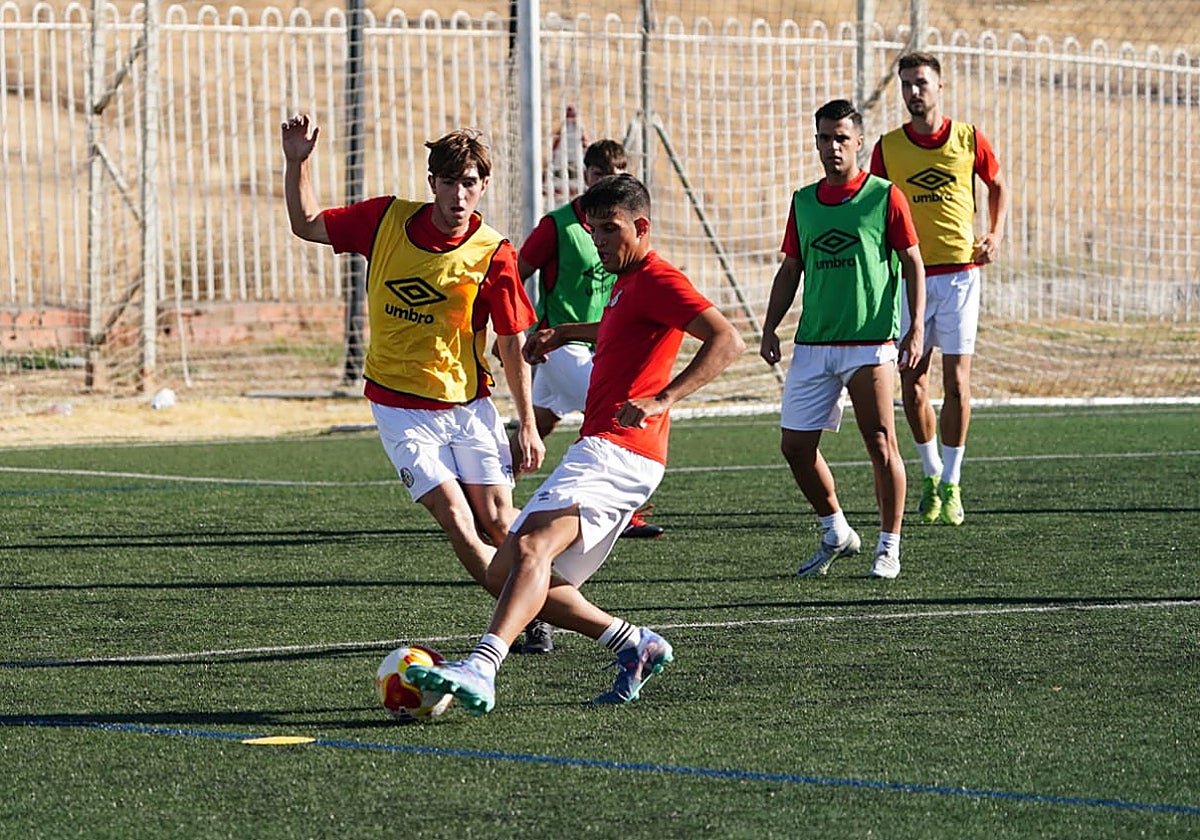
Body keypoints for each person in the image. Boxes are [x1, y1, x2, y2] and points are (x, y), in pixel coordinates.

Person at [405, 173, 745, 714]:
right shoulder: (626, 283)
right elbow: (619, 328)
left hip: (619, 447)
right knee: (507, 572)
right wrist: (565, 333)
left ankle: (482, 667)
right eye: (593, 231)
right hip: (613, 450)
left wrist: (664, 399)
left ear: (642, 226)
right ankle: (633, 643)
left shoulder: (657, 278)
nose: (599, 242)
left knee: (532, 550)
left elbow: (728, 339)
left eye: (610, 230)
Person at [280, 115, 545, 598]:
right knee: (458, 520)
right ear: (432, 183)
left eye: (469, 184)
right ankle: (528, 614)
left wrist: (525, 422)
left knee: (500, 521)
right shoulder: (385, 220)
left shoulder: (495, 253)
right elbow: (307, 225)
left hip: (468, 406)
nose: (458, 196)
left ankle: (534, 606)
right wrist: (297, 163)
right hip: (401, 410)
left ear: (484, 186)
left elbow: (510, 343)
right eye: (449, 182)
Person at [760, 99, 925, 580]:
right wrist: (771, 326)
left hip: (870, 343)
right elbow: (791, 268)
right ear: (816, 142)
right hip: (813, 345)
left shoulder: (884, 196)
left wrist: (914, 327)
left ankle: (889, 546)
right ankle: (836, 529)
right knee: (795, 447)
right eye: (824, 138)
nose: (833, 147)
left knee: (880, 442)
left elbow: (913, 262)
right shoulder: (803, 202)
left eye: (841, 138)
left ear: (859, 143)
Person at [511, 139, 641, 656]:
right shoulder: (560, 224)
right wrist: (525, 326)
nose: (605, 176)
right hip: (563, 346)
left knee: (536, 425)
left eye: (616, 171)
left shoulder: (625, 238)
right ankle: (618, 508)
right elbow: (513, 275)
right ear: (583, 174)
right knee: (614, 418)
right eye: (598, 170)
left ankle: (492, 488)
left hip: (586, 343)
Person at [870, 51, 1009, 526]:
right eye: (906, 84)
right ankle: (930, 472)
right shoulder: (888, 147)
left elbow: (997, 185)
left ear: (940, 87)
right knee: (912, 380)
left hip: (961, 275)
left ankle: (952, 483)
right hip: (911, 278)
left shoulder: (969, 137)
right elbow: (876, 207)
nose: (913, 91)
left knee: (957, 382)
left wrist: (995, 234)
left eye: (921, 83)